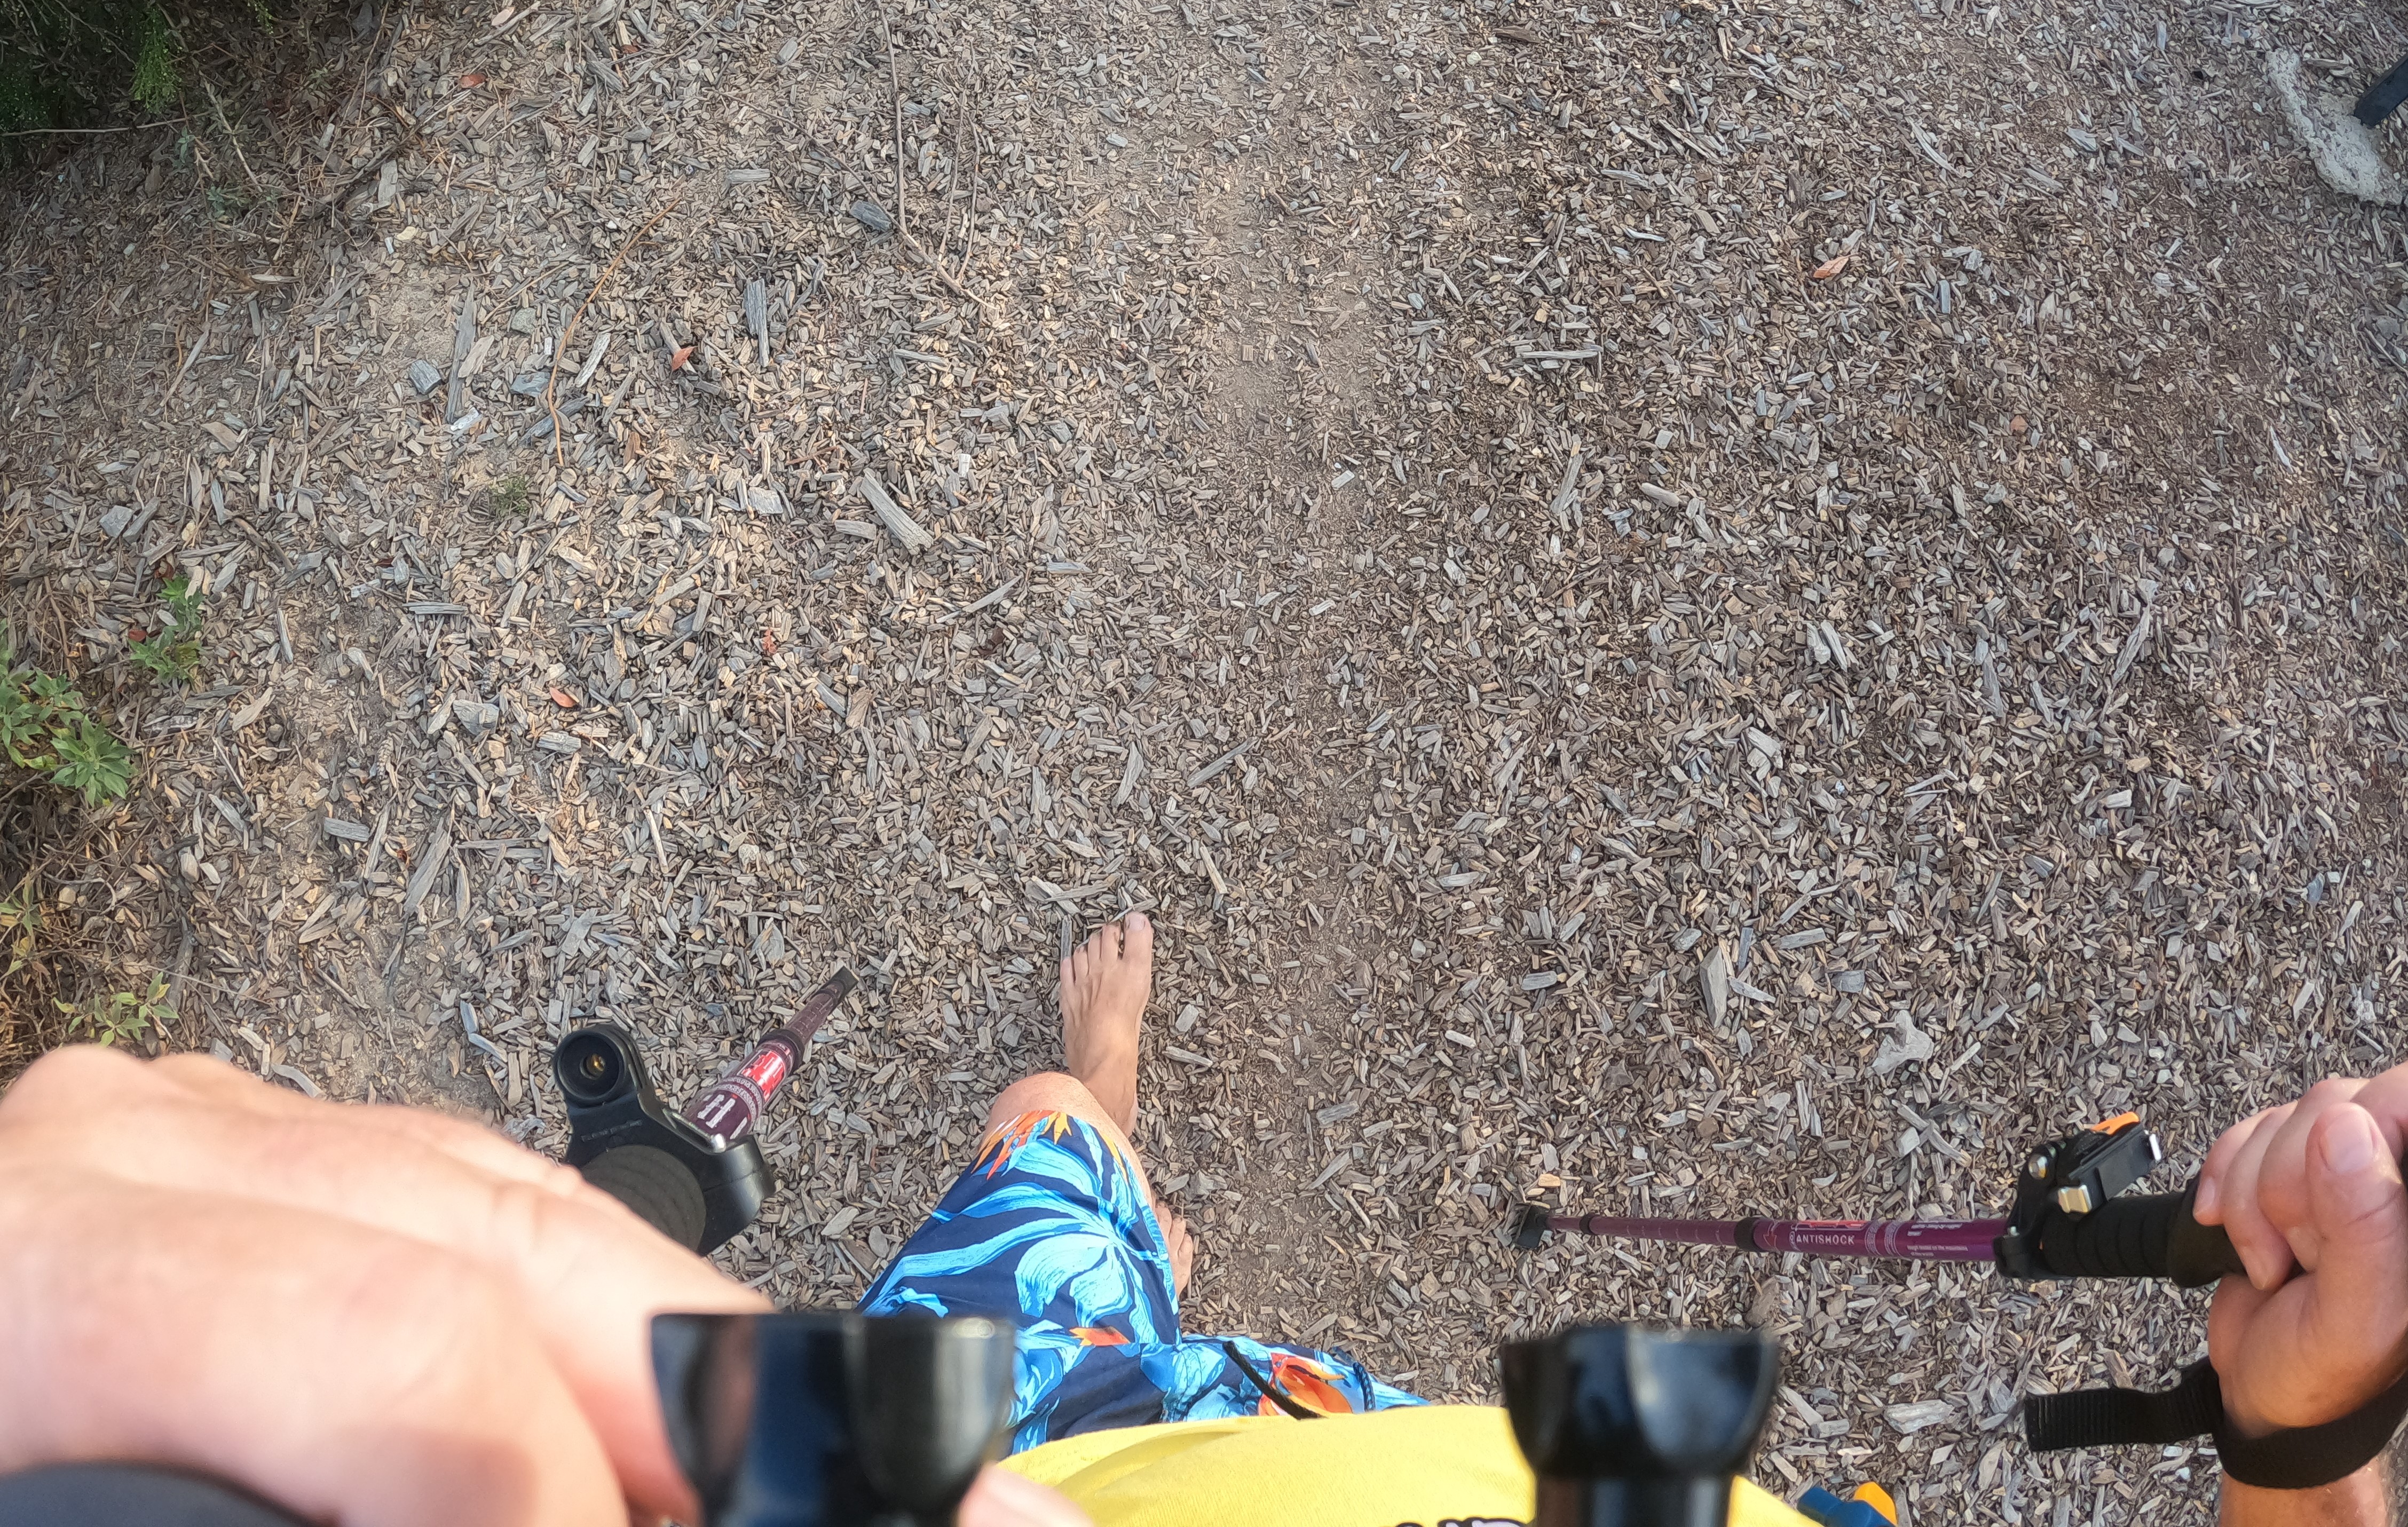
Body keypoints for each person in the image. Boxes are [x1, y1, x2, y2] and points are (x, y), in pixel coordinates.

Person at [0, 914, 2397, 1526]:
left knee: (1050, 1120)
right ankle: (1130, 1166)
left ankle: (1105, 1133)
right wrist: (2304, 1450)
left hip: (1065, 1452)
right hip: (1481, 1464)